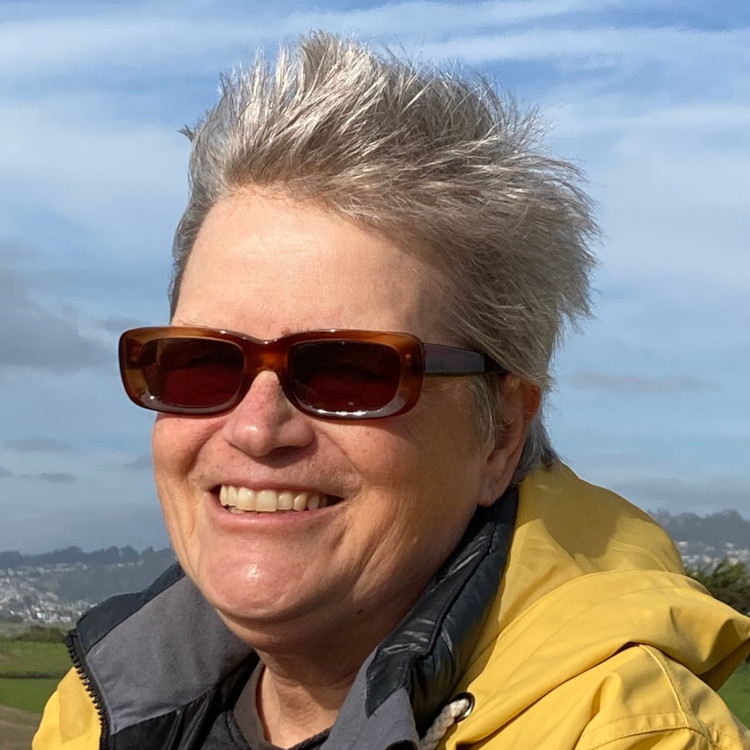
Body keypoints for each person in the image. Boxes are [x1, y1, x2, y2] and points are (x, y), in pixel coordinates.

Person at [35, 32, 750, 750]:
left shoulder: (627, 735)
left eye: (349, 371)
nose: (255, 429)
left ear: (499, 433)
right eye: (201, 364)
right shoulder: (98, 710)